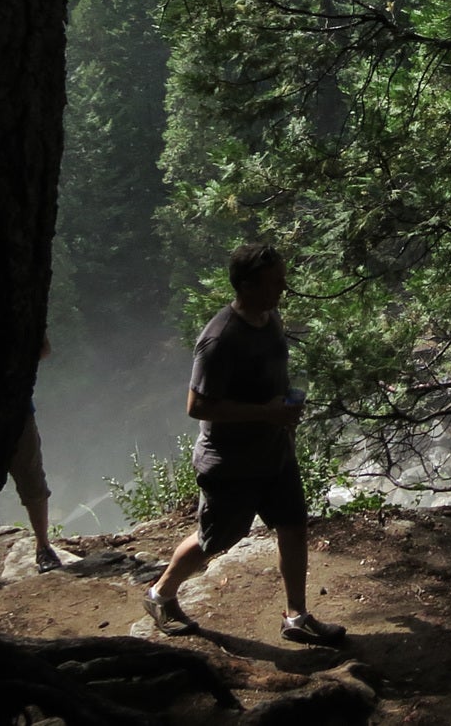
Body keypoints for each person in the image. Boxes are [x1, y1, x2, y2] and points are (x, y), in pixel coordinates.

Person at [143, 242, 347, 646]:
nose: (284, 288)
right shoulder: (220, 339)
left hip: (274, 450)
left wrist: (286, 411)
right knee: (216, 539)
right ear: (248, 285)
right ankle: (160, 594)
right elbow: (196, 405)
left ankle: (296, 615)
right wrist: (265, 413)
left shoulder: (269, 317)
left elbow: (272, 377)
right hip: (232, 460)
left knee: (292, 525)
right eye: (275, 281)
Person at [0, 334, 63, 591]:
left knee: (31, 480)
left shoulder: (13, 309)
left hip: (16, 411)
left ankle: (43, 547)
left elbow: (44, 348)